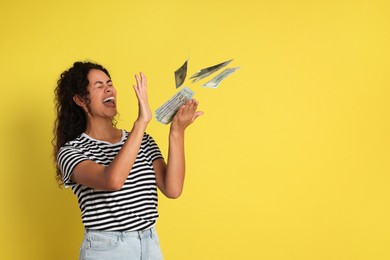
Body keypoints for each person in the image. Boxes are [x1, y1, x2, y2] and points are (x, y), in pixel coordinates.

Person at [53, 61, 203, 260]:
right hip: (107, 249)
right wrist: (141, 122)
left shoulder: (142, 140)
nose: (109, 89)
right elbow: (112, 181)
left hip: (150, 244)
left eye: (109, 83)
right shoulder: (71, 151)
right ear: (81, 99)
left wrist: (177, 132)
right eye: (99, 86)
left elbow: (173, 189)